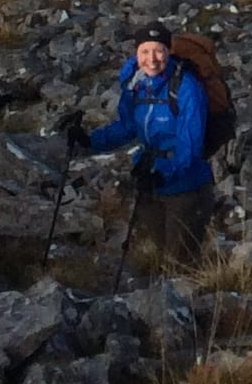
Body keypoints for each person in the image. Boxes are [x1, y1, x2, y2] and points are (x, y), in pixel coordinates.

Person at [88, 23, 212, 269]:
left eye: (159, 51)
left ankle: (190, 301)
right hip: (149, 180)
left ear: (168, 52)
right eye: (145, 51)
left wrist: (160, 173)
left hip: (185, 189)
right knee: (162, 255)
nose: (152, 59)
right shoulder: (136, 85)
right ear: (136, 53)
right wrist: (88, 140)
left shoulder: (187, 88)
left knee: (181, 262)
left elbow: (190, 147)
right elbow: (127, 127)